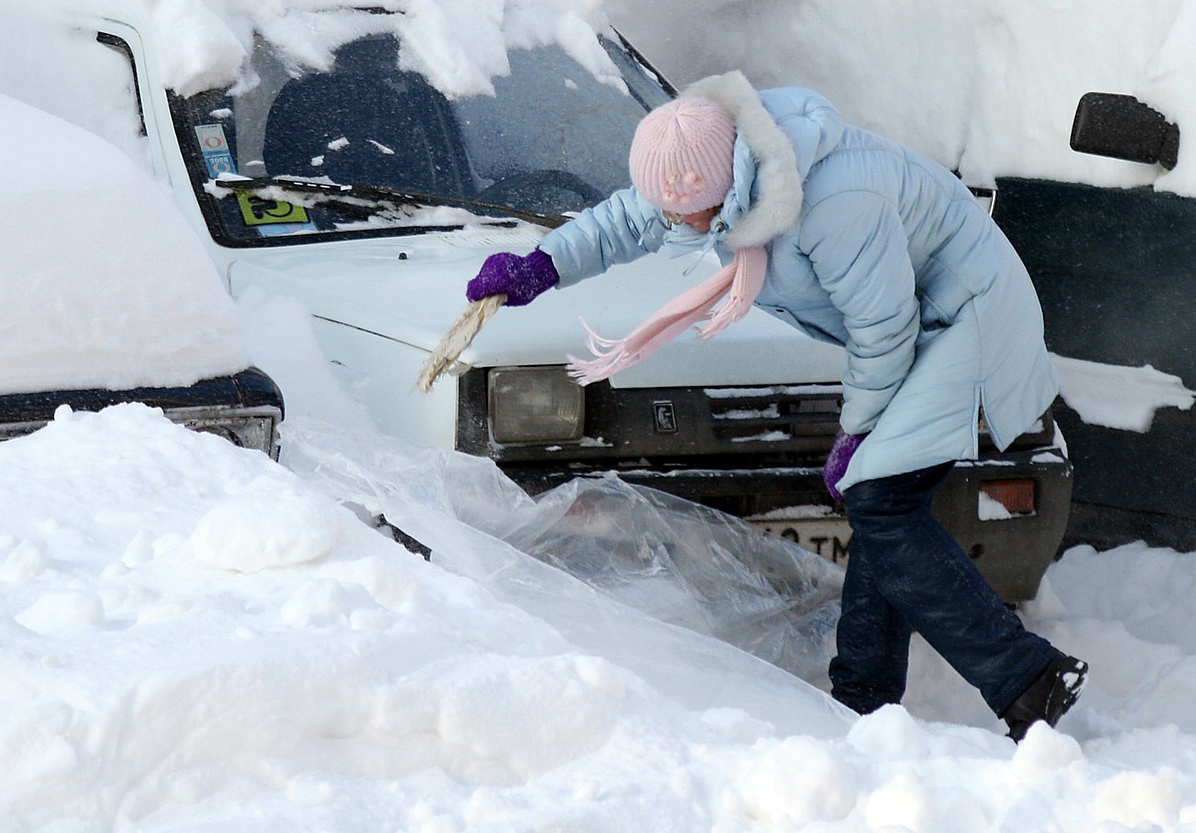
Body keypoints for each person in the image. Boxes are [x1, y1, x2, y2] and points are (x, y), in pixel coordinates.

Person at [466, 69, 1088, 740]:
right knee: (880, 499)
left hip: (968, 318)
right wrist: (543, 266)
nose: (672, 224)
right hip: (919, 322)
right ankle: (864, 700)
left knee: (881, 497)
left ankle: (1028, 679)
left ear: (720, 191)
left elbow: (884, 330)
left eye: (681, 214)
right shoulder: (721, 172)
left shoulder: (835, 202)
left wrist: (857, 432)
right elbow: (628, 218)